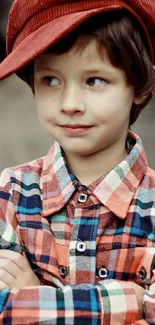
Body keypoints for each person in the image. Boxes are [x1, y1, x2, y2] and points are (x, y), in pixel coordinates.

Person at [0, 0, 154, 324]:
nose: (70, 104)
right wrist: (134, 301)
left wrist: (31, 298)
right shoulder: (11, 193)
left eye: (94, 80)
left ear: (139, 86)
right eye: (51, 81)